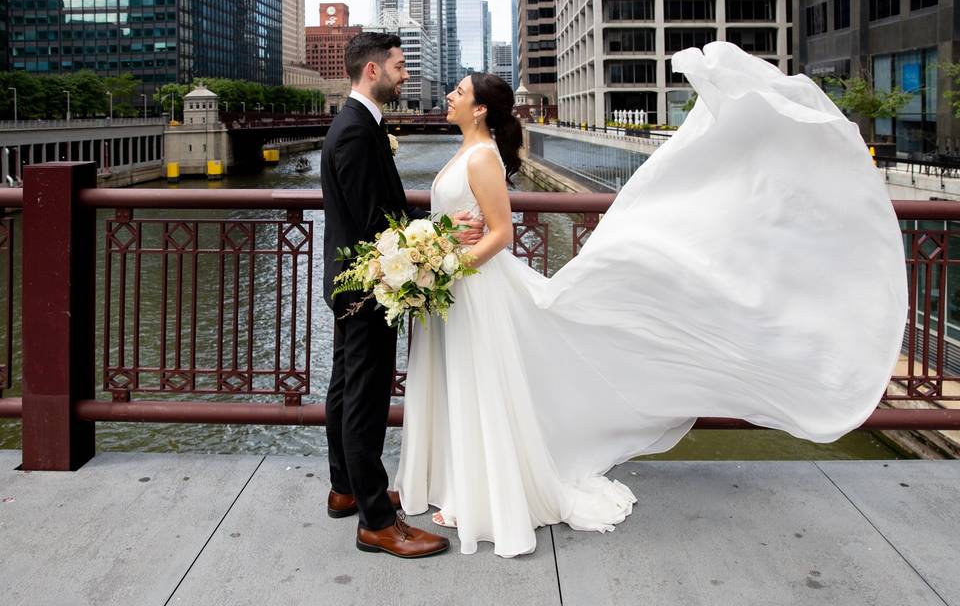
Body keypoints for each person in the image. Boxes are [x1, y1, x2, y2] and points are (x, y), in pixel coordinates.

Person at [395, 42, 909, 557]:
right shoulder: (463, 152)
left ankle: (488, 492)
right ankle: (461, 480)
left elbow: (501, 233)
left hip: (477, 287)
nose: (449, 96)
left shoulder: (482, 157)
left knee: (485, 382)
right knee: (462, 379)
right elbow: (461, 222)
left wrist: (448, 264)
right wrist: (431, 243)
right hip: (457, 290)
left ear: (480, 108)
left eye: (458, 92)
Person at [319, 31, 483, 558]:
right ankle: (376, 520)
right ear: (372, 71)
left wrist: (431, 224)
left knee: (346, 387)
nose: (405, 74)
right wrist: (441, 232)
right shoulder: (355, 133)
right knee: (364, 402)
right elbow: (376, 226)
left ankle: (346, 488)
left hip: (354, 283)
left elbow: (378, 213)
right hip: (368, 286)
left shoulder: (361, 125)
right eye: (398, 65)